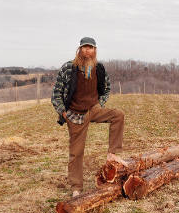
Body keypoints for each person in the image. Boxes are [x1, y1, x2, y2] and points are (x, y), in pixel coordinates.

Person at [51, 37, 126, 197]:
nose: (87, 50)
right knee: (76, 153)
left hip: (93, 109)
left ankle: (113, 153)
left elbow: (106, 88)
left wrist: (100, 103)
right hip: (75, 114)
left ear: (95, 50)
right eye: (84, 47)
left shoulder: (99, 68)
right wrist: (64, 113)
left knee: (118, 115)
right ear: (79, 50)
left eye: (90, 47)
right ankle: (76, 188)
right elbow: (56, 94)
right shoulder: (68, 68)